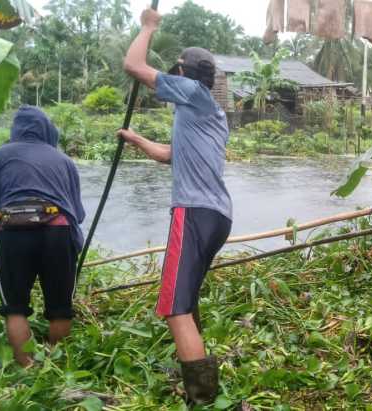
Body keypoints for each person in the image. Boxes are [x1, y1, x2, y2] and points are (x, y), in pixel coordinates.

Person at [116, 8, 232, 405]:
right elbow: (171, 155)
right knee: (187, 298)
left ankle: (202, 397)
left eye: (174, 71)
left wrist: (148, 26)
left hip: (194, 212)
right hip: (217, 215)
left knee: (174, 306)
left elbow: (133, 65)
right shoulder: (208, 113)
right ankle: (190, 361)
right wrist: (136, 140)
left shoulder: (193, 94)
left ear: (183, 74)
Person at [0, 106, 86, 368]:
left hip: (11, 234)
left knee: (14, 307)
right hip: (57, 233)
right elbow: (78, 214)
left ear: (15, 130)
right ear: (48, 131)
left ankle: (27, 369)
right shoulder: (64, 161)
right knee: (60, 307)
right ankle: (54, 367)